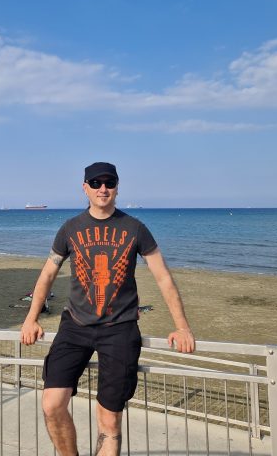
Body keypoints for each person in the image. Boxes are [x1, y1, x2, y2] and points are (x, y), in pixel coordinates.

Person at [20, 162, 196, 456]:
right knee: (51, 404)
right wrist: (31, 319)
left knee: (109, 420)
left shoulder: (135, 228)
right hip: (75, 326)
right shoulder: (70, 228)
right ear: (85, 188)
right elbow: (48, 274)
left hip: (120, 329)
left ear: (117, 187)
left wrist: (182, 327)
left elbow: (163, 277)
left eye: (109, 183)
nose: (103, 188)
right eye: (96, 183)